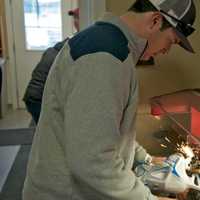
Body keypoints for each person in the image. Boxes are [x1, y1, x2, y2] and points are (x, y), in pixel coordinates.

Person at [22, 0, 196, 200]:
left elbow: (107, 132)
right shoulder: (104, 57)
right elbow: (93, 160)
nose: (166, 50)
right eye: (171, 41)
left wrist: (144, 160)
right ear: (155, 21)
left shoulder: (108, 44)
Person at [23, 8, 79, 124]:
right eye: (75, 18)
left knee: (45, 128)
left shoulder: (54, 49)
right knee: (50, 130)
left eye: (77, 18)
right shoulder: (66, 52)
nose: (75, 21)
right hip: (38, 98)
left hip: (32, 96)